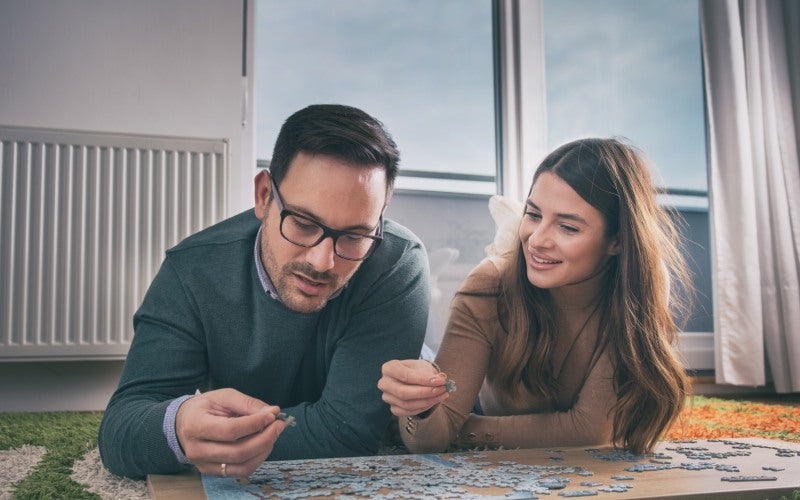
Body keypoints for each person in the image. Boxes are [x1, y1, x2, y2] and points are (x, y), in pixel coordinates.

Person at [99, 104, 430, 479]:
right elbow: (120, 427)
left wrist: (239, 433)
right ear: (263, 195)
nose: (323, 262)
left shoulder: (398, 262)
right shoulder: (191, 269)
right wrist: (178, 428)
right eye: (304, 224)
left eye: (354, 236)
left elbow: (347, 431)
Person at [378, 138, 691, 455]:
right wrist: (422, 410)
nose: (537, 241)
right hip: (478, 399)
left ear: (617, 241)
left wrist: (461, 430)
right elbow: (430, 439)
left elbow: (590, 431)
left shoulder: (637, 290)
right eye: (533, 214)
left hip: (479, 421)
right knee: (421, 369)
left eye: (568, 227)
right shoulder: (490, 285)